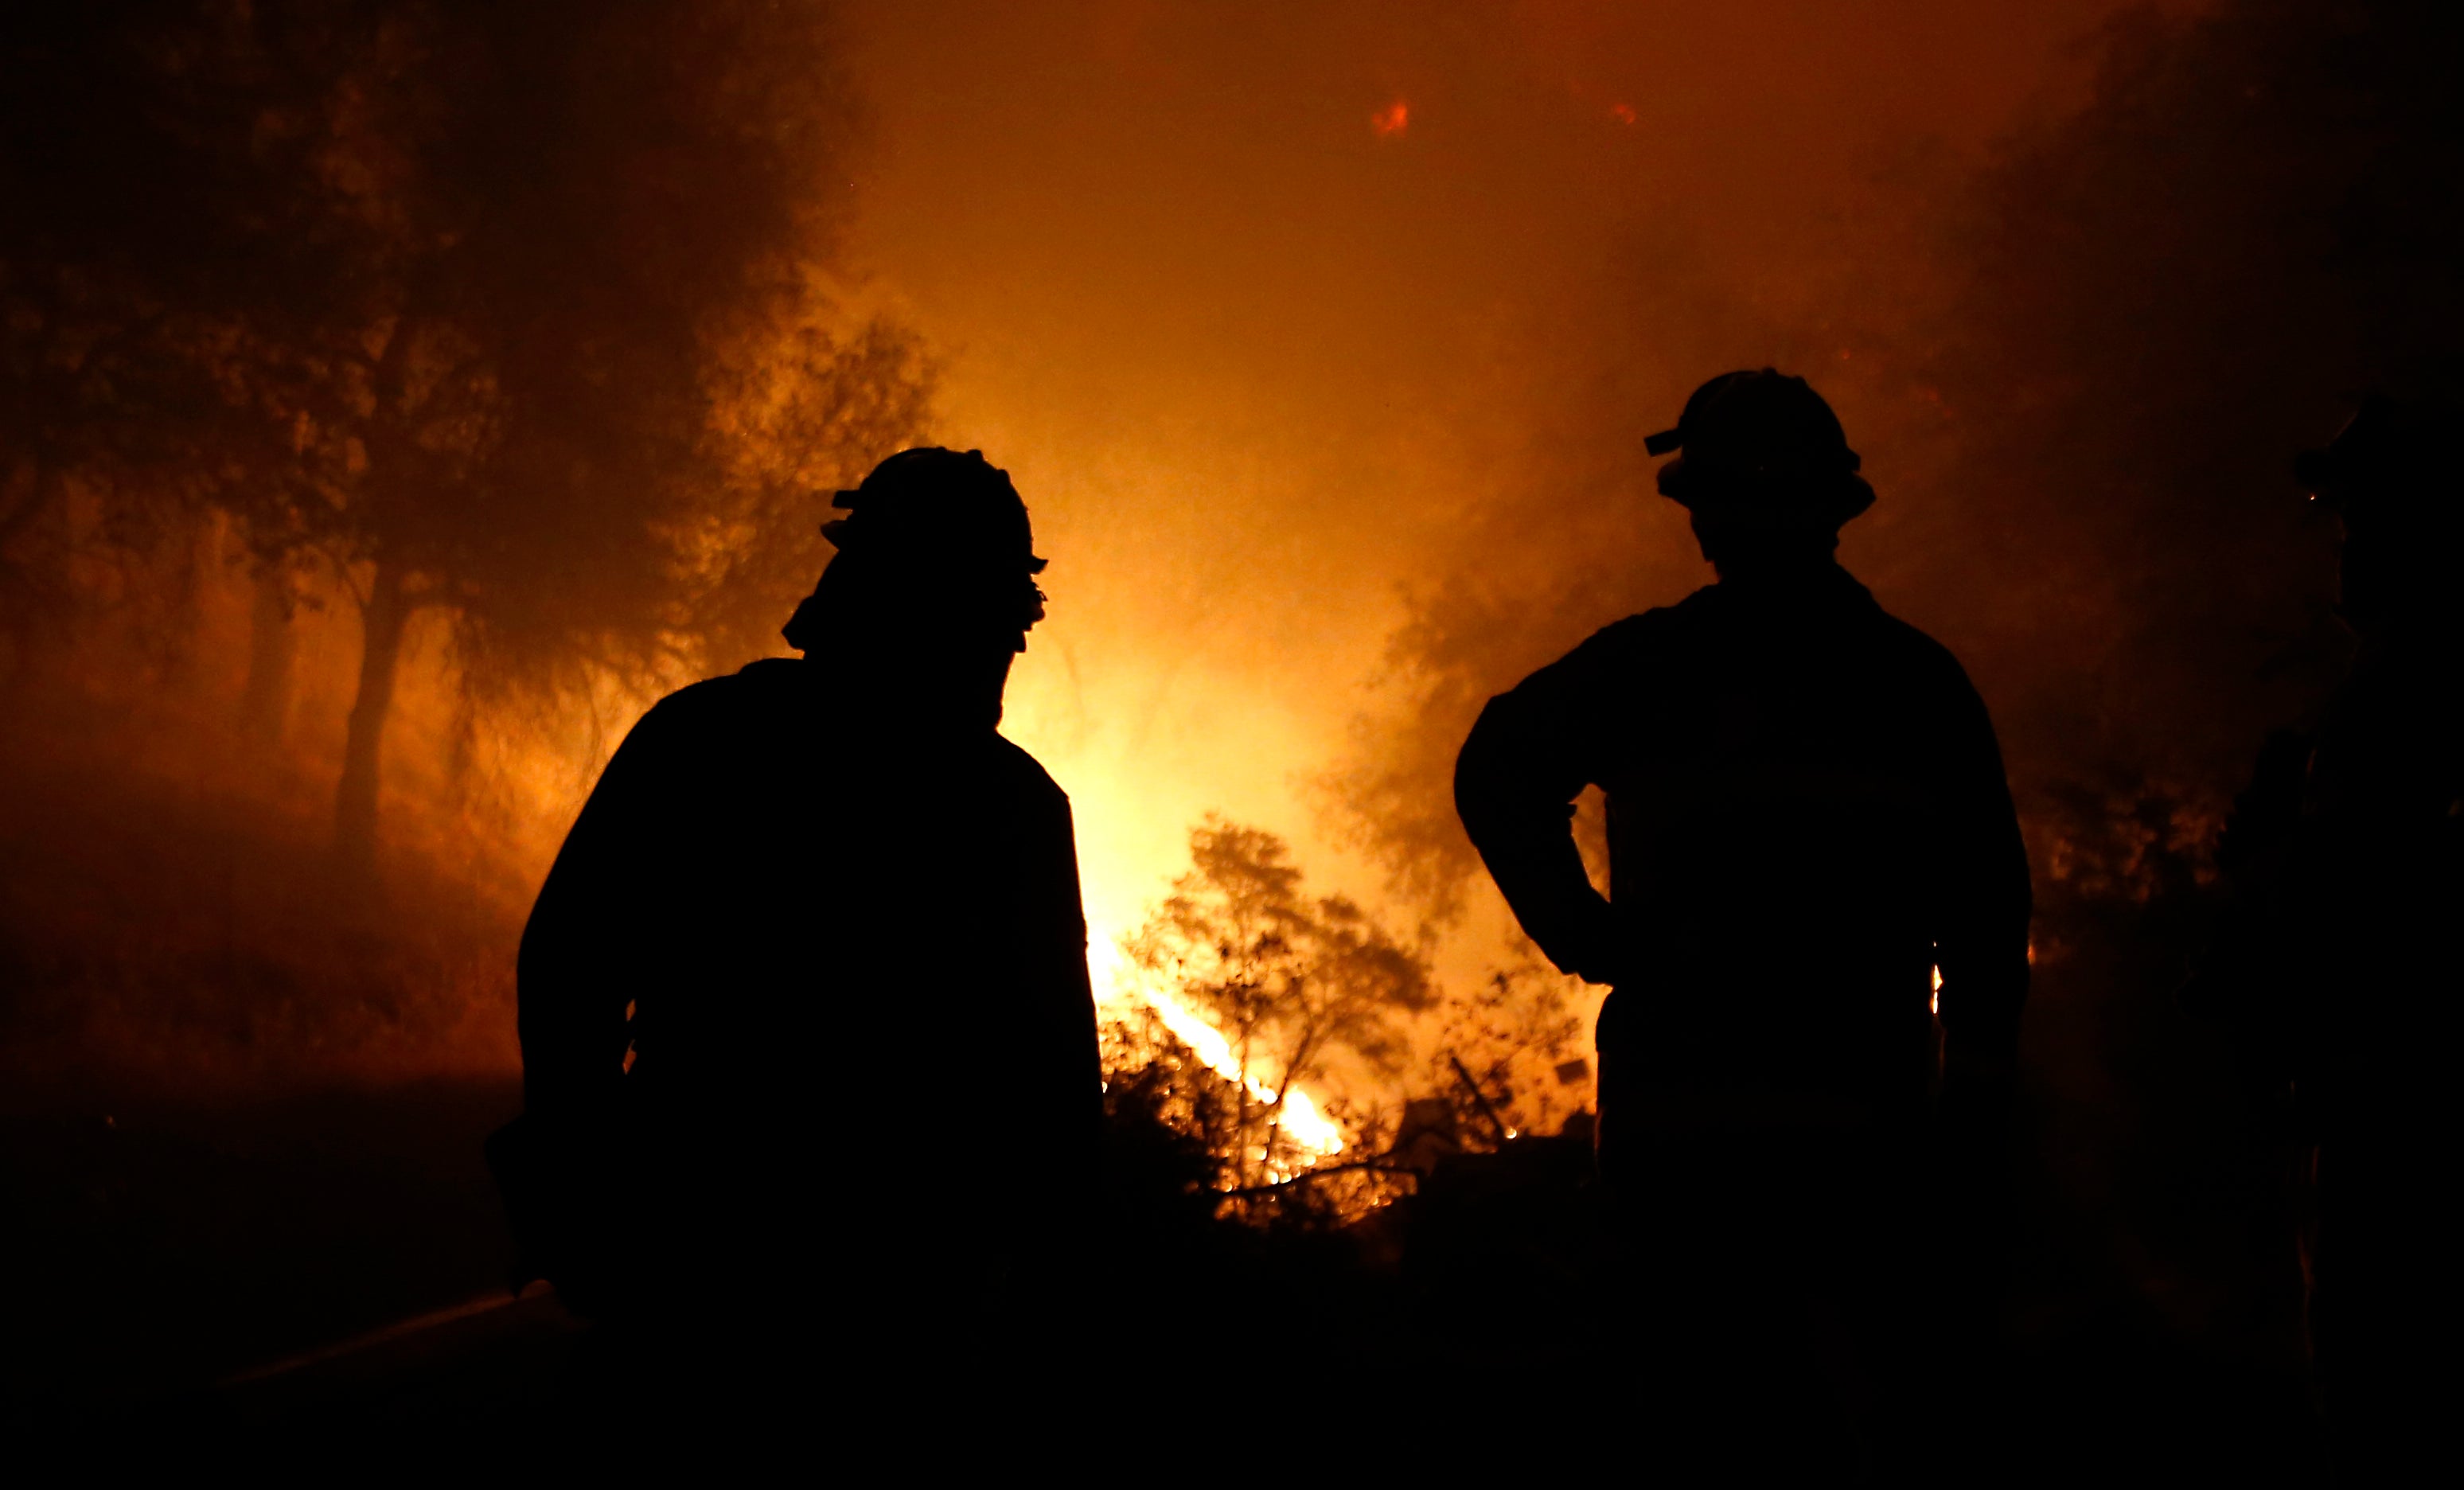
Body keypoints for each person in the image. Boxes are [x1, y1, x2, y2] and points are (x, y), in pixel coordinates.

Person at [1454, 369, 2032, 1473]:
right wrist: (1973, 1117)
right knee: (1872, 1449)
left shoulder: (1649, 671)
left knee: (1704, 1453)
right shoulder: (1917, 687)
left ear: (1702, 515)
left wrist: (1585, 931)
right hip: (1866, 1144)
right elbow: (1989, 919)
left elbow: (1498, 767)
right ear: (1834, 510)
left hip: (1688, 1153)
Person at [495, 447, 1101, 1422]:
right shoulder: (1013, 810)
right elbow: (1058, 1103)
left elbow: (569, 965)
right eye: (995, 616)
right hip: (879, 1317)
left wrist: (580, 1192)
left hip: (705, 1274)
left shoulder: (702, 737)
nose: (1005, 648)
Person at [2193, 396, 2464, 1480]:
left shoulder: (2410, 692)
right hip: (2369, 1095)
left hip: (2399, 1112)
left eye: (2364, 519)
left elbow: (2366, 900)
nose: (2343, 543)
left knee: (2384, 1392)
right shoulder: (2382, 691)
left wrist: (2265, 889)